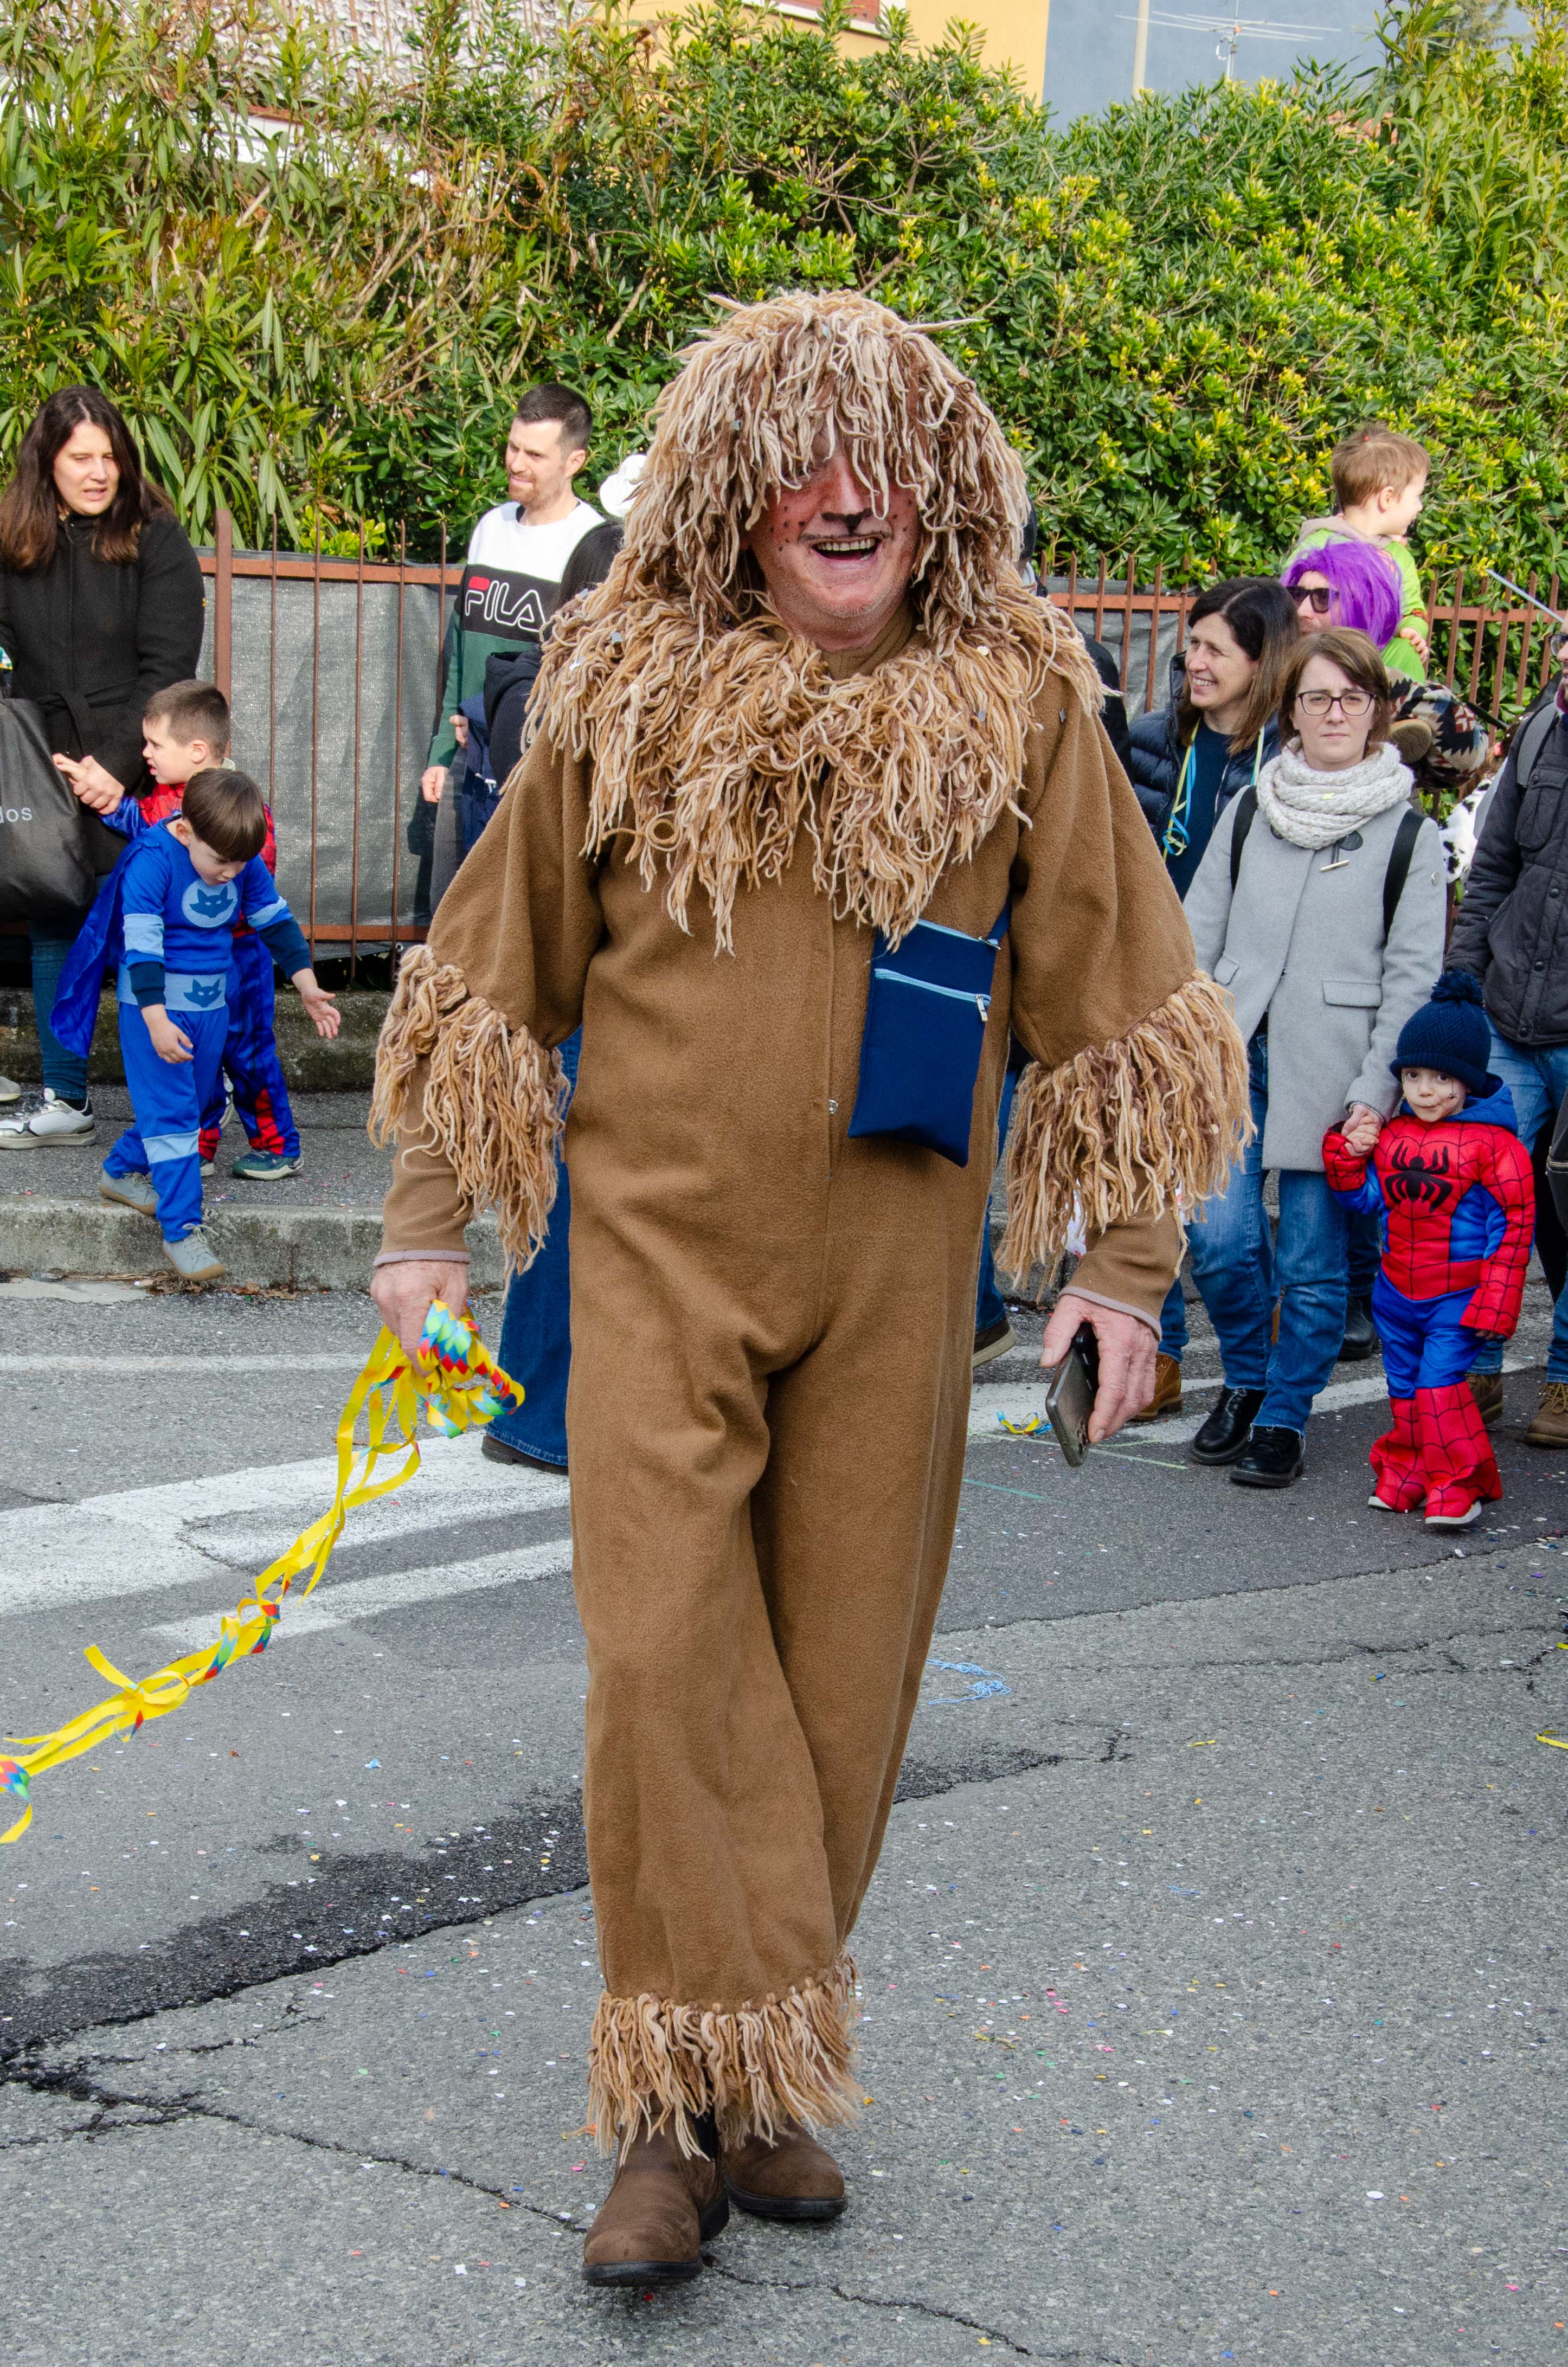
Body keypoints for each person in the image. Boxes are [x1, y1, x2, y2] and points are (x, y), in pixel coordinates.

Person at [367, 291, 1248, 2288]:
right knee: (665, 1665)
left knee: (843, 1687)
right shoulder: (616, 684)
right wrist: (425, 1225)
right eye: (801, 466)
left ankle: (758, 2072)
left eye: (886, 466)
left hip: (893, 1280)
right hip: (652, 1262)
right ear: (731, 499)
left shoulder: (1022, 702)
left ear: (941, 497)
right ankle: (664, 2121)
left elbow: (1121, 1004)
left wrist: (1121, 1272)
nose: (847, 498)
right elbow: (487, 975)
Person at [1181, 627, 1446, 1487]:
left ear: (1377, 710)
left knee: (1311, 1263)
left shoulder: (1410, 836)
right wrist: (1183, 1047)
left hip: (1335, 1073)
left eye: (1352, 698)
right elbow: (1195, 937)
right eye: (1316, 698)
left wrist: (1377, 1092)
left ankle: (1284, 1413)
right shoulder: (1252, 808)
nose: (1335, 713)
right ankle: (1247, 1379)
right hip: (1232, 1054)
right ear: (1290, 710)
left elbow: (1412, 981)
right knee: (1219, 1242)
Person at [0, 385, 203, 1143]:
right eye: (80, 457)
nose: (98, 472)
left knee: (159, 927)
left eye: (109, 456)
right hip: (40, 760)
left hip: (141, 766)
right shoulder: (14, 540)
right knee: (55, 917)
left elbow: (169, 666)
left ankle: (190, 1112)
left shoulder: (157, 537)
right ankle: (65, 1100)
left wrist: (118, 767)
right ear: (46, 462)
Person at [49, 770, 338, 1281]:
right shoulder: (152, 858)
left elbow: (274, 920)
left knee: (193, 1103)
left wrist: (308, 985)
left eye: (240, 864)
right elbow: (141, 947)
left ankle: (120, 1170)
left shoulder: (237, 856)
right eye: (221, 861)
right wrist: (156, 1020)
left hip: (212, 1008)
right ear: (185, 832)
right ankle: (182, 1229)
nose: (231, 873)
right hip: (154, 1009)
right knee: (177, 1118)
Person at [1127, 575, 1299, 1419]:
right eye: (1190, 644)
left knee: (1224, 1235)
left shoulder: (1293, 766)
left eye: (1213, 649)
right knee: (1137, 1198)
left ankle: (1251, 1373)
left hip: (1240, 1020)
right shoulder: (1153, 741)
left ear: (1261, 663)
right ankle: (1154, 1358)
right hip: (1147, 1004)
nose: (1192, 661)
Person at [480, 521, 625, 1476]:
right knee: (573, 1197)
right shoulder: (574, 703)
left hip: (559, 978)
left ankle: (538, 1406)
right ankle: (540, 1415)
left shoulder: (534, 689)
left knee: (563, 1196)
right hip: (581, 984)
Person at [61, 678, 306, 1180]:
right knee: (195, 1054)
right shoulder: (168, 800)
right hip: (186, 961)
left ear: (196, 751)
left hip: (239, 955)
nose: (144, 754)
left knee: (248, 1051)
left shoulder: (239, 807)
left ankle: (278, 1144)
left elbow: (252, 883)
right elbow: (145, 828)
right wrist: (102, 796)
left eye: (155, 744)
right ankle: (198, 1141)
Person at [1324, 972, 1533, 1527]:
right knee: (1405, 1392)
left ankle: (1460, 1482)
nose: (1424, 1090)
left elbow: (1514, 1227)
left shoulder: (1499, 1147)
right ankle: (1408, 1470)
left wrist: (1496, 1302)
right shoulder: (1393, 1135)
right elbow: (1366, 1200)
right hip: (1396, 1295)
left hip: (1457, 1300)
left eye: (1442, 1077)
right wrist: (1346, 1155)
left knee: (1440, 1391)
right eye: (1413, 1075)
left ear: (1470, 1081)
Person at [413, 385, 603, 913]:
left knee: (523, 916)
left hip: (537, 772)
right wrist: (442, 753)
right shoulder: (489, 528)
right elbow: (460, 649)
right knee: (464, 914)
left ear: (574, 462)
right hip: (470, 766)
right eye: (513, 446)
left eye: (534, 454)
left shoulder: (592, 544)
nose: (516, 463)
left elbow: (588, 674)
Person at [1447, 621, 1568, 1445]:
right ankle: (1477, 1368)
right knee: (1481, 1202)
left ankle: (1565, 1377)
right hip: (1507, 1009)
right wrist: (1461, 983)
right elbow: (1492, 867)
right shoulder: (1541, 730)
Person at [1282, 539, 1490, 800]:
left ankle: (1376, 744)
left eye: (1323, 598)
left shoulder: (1386, 673)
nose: (1303, 611)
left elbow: (1469, 757)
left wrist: (1370, 686)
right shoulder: (1270, 668)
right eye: (1296, 596)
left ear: (1362, 606)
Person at [1289, 422, 1431, 684]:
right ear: (1387, 498)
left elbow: (1413, 610)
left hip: (1373, 658)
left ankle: (1402, 707)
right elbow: (1292, 603)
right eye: (1417, 497)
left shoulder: (1400, 557)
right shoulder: (1319, 544)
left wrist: (1413, 630)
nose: (1420, 507)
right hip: (1322, 653)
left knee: (1405, 652)